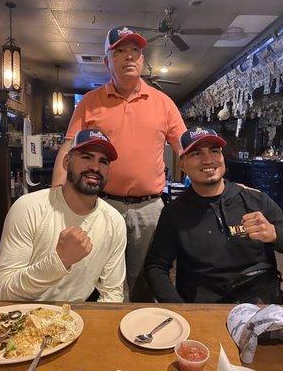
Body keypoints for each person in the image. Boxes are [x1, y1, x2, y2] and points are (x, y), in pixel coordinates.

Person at [51, 26, 186, 301]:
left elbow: (187, 150)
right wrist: (55, 197)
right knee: (96, 272)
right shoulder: (89, 102)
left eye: (135, 51)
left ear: (142, 59)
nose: (129, 57)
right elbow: (69, 147)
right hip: (100, 204)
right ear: (106, 61)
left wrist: (219, 186)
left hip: (150, 208)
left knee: (145, 278)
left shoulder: (164, 103)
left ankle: (139, 333)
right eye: (120, 51)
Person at [144, 127, 283, 304]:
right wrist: (179, 309)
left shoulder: (255, 200)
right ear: (183, 165)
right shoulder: (174, 212)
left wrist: (274, 234)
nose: (208, 160)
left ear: (222, 158)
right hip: (205, 309)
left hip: (260, 305)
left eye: (214, 151)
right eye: (196, 153)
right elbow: (156, 267)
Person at [0, 129, 127, 302]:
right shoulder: (28, 208)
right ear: (66, 162)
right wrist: (60, 261)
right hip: (24, 318)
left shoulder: (114, 221)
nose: (95, 167)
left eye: (103, 161)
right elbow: (0, 291)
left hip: (75, 319)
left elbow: (112, 293)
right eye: (86, 157)